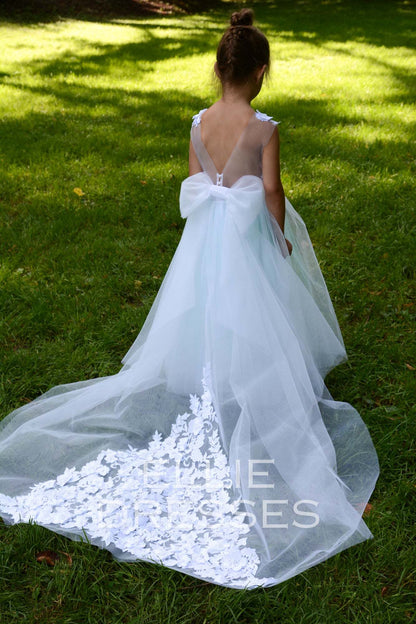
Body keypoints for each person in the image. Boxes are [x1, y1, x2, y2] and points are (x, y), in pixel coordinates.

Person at [0, 9, 379, 590]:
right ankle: (249, 383)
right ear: (260, 72)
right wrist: (280, 234)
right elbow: (271, 190)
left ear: (218, 69)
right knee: (256, 314)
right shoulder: (264, 129)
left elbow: (198, 182)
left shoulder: (199, 122)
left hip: (204, 242)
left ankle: (209, 373)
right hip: (245, 242)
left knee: (206, 307)